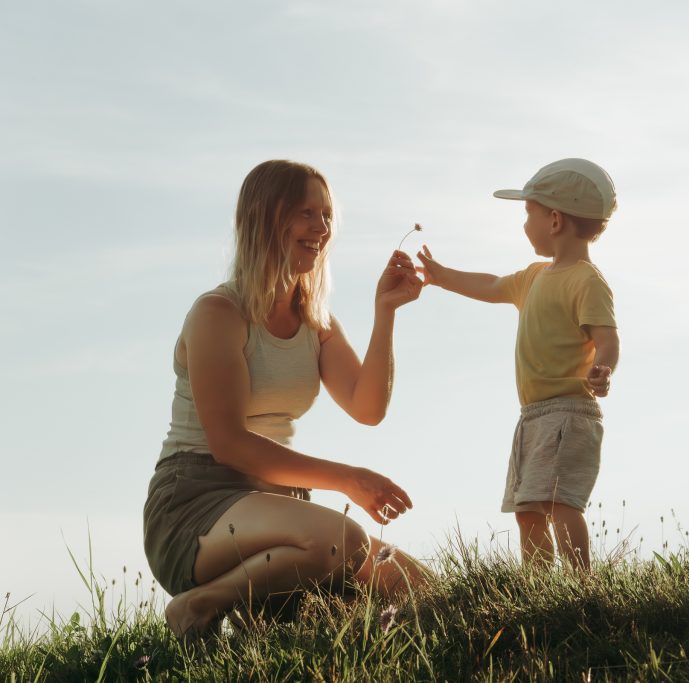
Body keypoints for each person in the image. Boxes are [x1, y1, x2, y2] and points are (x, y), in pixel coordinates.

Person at [143, 159, 430, 639]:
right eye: (306, 213)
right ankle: (197, 606)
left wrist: (385, 313)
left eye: (326, 215)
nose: (321, 228)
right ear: (265, 218)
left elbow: (367, 407)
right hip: (197, 502)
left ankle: (253, 620)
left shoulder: (316, 321)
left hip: (279, 507)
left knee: (422, 590)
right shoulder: (219, 312)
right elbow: (230, 444)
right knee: (345, 540)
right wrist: (347, 480)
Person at [416, 158, 620, 571]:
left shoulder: (586, 280)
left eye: (529, 213)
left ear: (556, 220)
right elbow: (490, 285)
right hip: (533, 414)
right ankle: (539, 588)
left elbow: (607, 338)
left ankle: (583, 588)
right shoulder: (533, 277)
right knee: (528, 508)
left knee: (560, 502)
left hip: (568, 410)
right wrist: (440, 276)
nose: (525, 223)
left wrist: (603, 368)